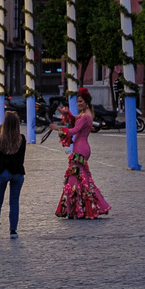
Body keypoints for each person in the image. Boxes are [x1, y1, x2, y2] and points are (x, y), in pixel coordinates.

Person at [56, 88, 111, 220]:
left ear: (86, 102)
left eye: (80, 101)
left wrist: (57, 128)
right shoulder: (84, 114)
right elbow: (74, 119)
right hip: (80, 147)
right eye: (77, 102)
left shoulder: (86, 116)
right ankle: (86, 207)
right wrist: (66, 112)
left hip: (81, 149)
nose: (79, 104)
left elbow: (73, 130)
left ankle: (80, 209)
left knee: (74, 178)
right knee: (82, 179)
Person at [0, 110, 27, 240]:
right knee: (14, 202)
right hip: (17, 172)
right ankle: (13, 231)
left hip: (2, 172)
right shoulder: (21, 139)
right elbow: (21, 157)